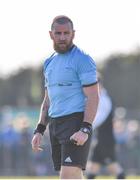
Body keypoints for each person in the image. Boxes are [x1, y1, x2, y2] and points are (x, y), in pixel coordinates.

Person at [31, 15, 99, 179]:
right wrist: (39, 129)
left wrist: (85, 128)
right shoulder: (49, 62)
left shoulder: (82, 60)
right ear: (51, 34)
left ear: (73, 34)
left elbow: (93, 97)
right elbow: (48, 100)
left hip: (75, 124)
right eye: (58, 33)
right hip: (55, 124)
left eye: (66, 33)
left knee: (67, 177)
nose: (62, 37)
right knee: (73, 176)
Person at [86, 81, 126, 179]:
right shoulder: (100, 98)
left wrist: (85, 127)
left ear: (99, 85)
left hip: (106, 140)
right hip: (100, 139)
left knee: (113, 167)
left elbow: (99, 119)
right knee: (93, 167)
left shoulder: (104, 99)